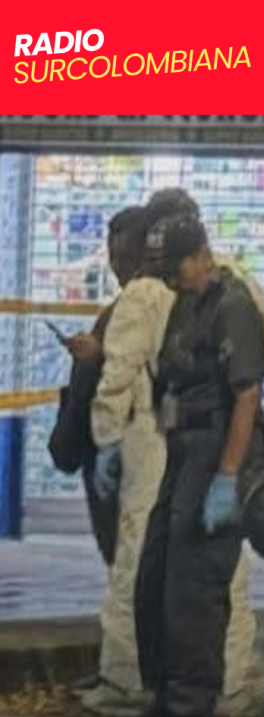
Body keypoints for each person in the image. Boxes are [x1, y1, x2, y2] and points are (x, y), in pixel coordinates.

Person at [129, 214, 264, 717]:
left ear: (201, 255)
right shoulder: (186, 303)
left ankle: (191, 715)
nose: (169, 278)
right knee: (156, 576)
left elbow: (247, 396)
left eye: (175, 266)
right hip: (182, 449)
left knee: (193, 587)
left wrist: (228, 477)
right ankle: (165, 698)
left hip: (217, 451)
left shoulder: (233, 305)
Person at [48, 207, 145, 569]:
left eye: (128, 258)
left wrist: (98, 356)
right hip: (103, 453)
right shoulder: (114, 313)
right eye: (114, 257)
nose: (119, 268)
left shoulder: (155, 309)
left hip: (136, 457)